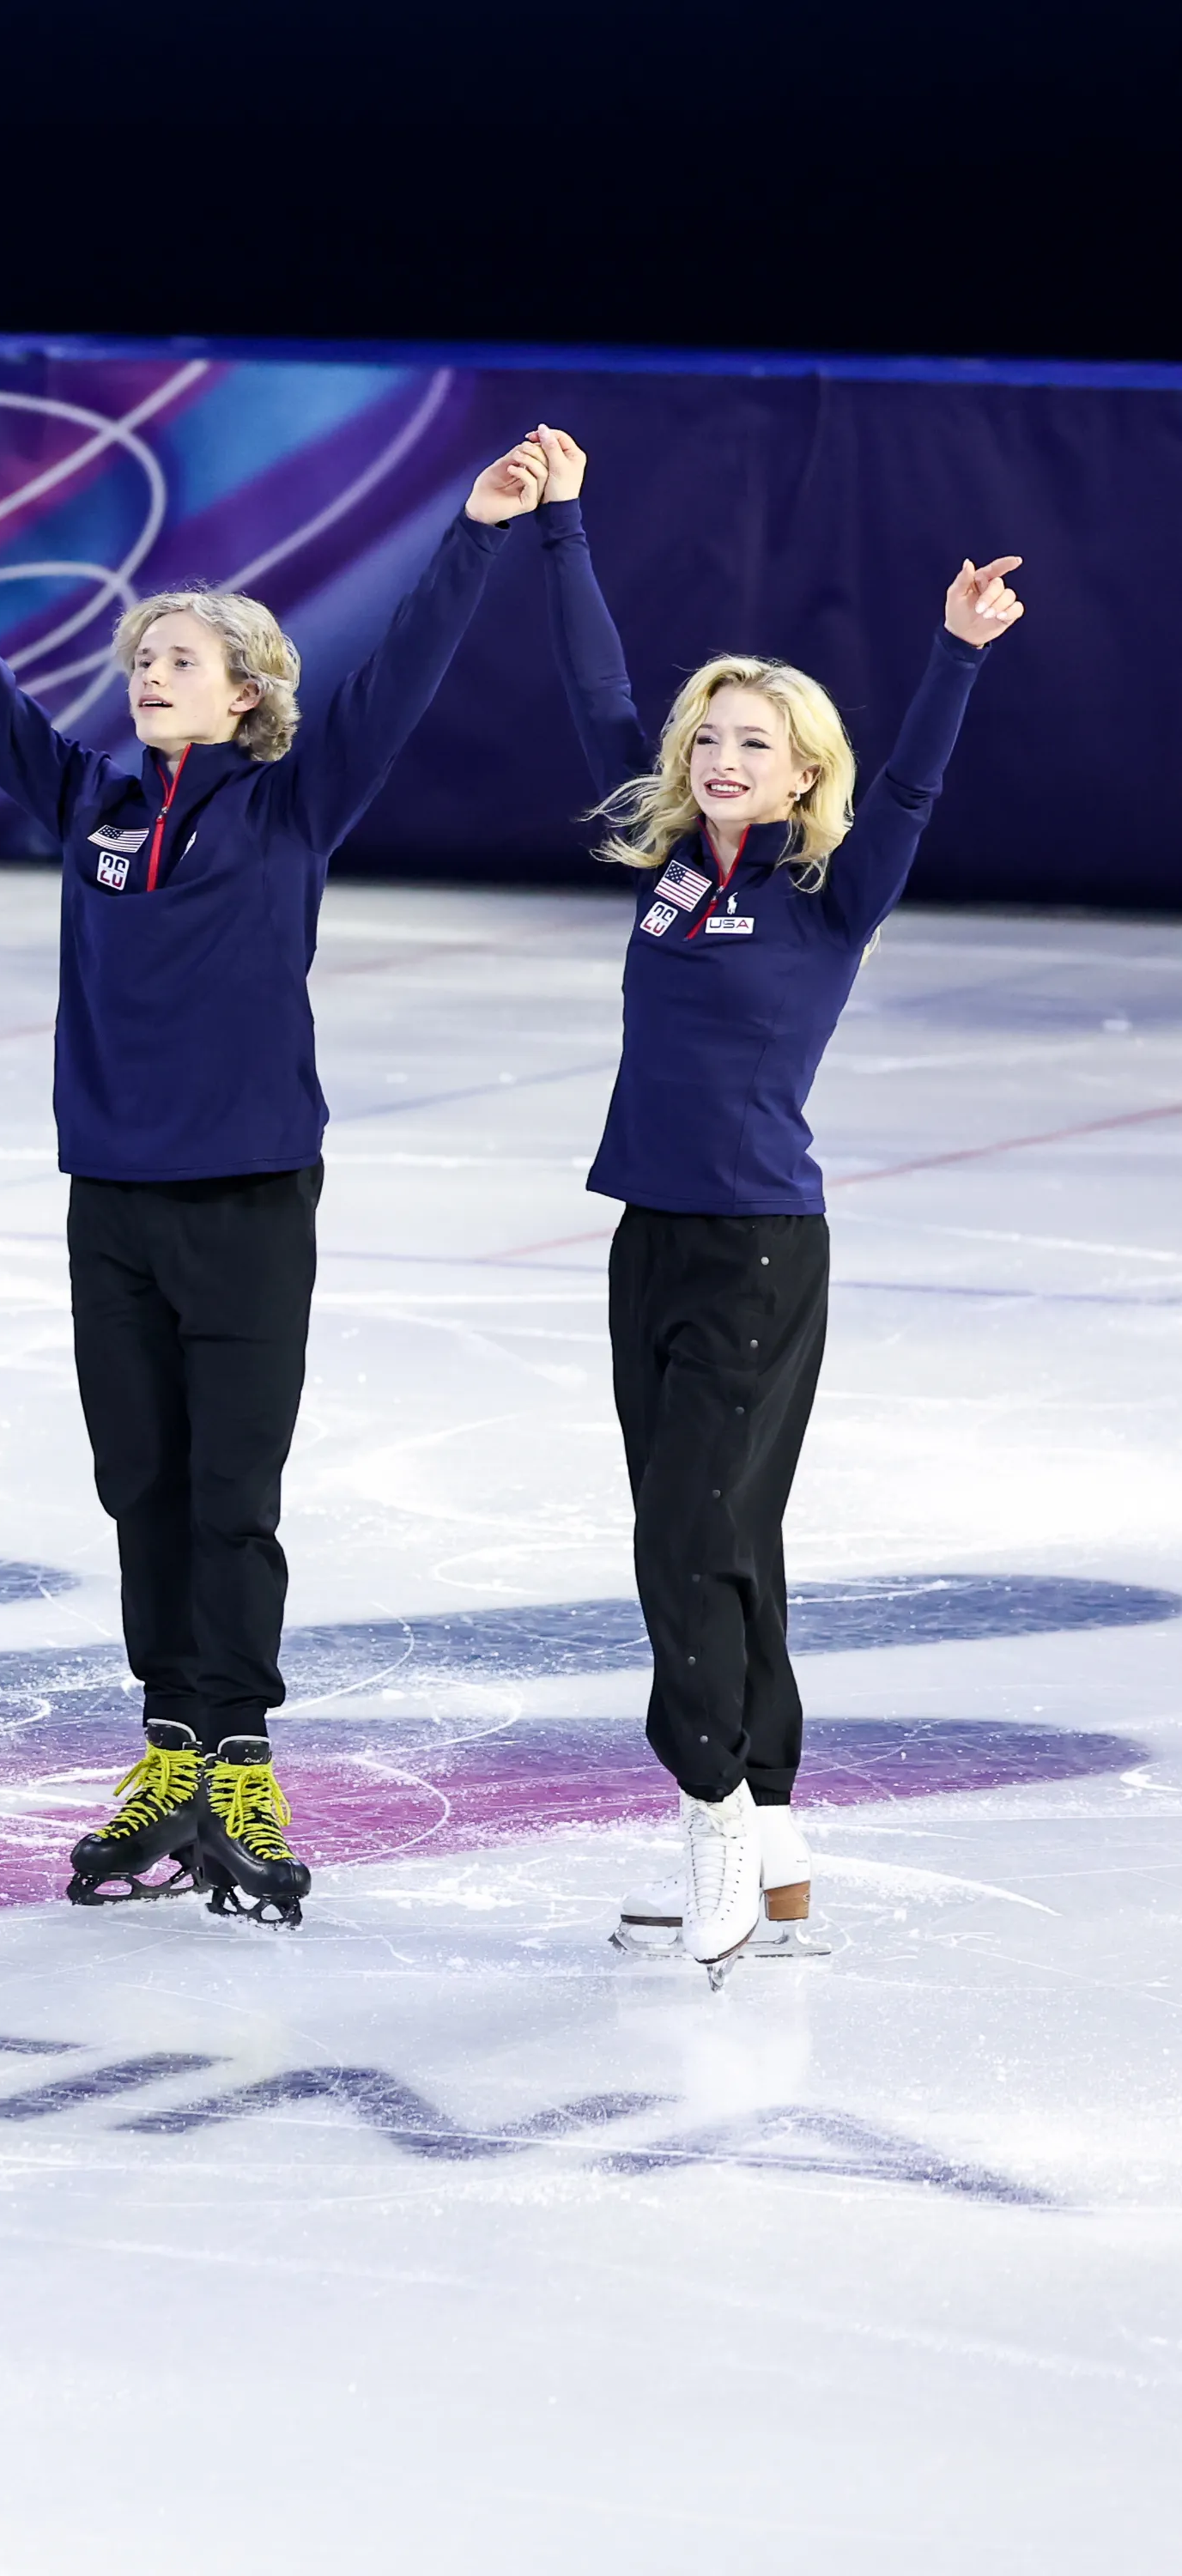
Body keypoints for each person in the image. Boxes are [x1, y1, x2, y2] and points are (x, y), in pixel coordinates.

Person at [0, 424, 549, 1926]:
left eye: (178, 658)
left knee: (231, 1491)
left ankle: (240, 1750)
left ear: (245, 693)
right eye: (140, 660)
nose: (148, 675)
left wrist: (480, 529)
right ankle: (168, 1744)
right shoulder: (93, 808)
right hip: (110, 1197)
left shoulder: (291, 802)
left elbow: (408, 668)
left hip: (247, 1198)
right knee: (141, 1487)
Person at [518, 429, 1025, 1971]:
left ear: (805, 771)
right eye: (711, 737)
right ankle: (776, 1828)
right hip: (647, 1238)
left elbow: (925, 784)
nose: (725, 756)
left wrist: (952, 654)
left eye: (757, 742)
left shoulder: (828, 894)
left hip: (755, 1250)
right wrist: (564, 525)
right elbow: (595, 689)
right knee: (724, 1541)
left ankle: (720, 1820)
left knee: (692, 1539)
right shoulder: (671, 866)